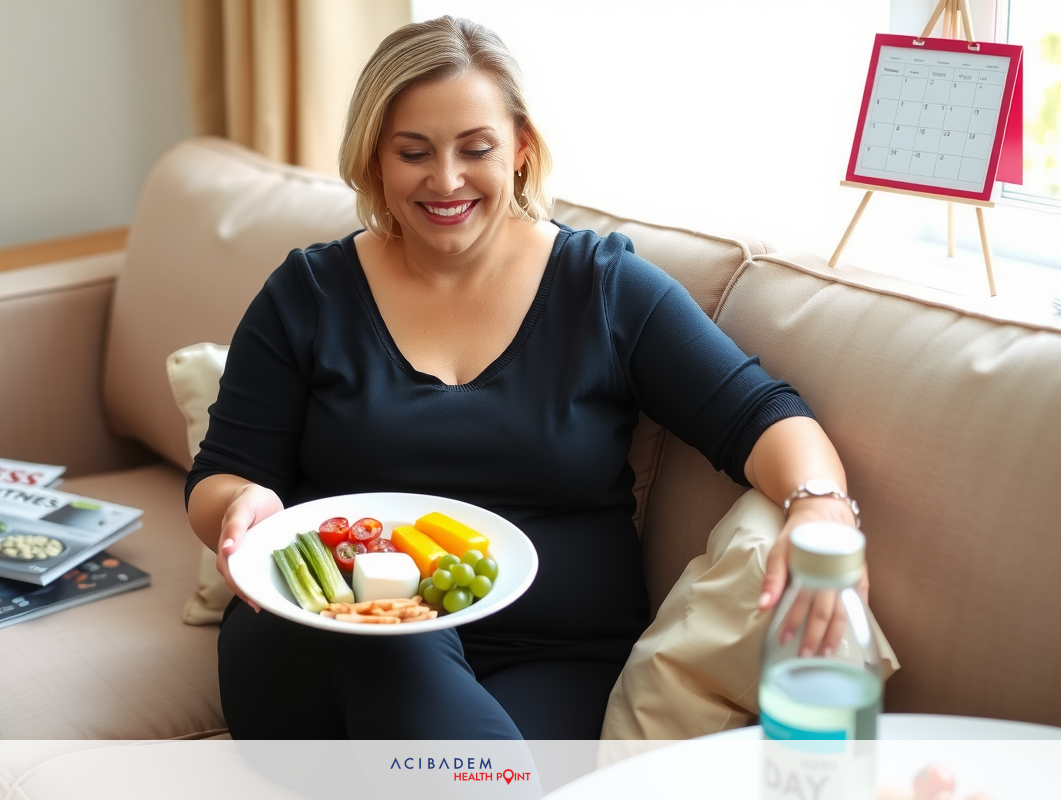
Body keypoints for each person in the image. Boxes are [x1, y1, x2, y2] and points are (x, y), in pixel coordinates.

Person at [186, 15, 863, 740]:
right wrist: (241, 504)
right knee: (401, 650)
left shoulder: (603, 289)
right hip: (326, 636)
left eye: (475, 149)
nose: (445, 180)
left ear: (521, 149)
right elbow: (221, 477)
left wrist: (819, 504)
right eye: (413, 152)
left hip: (551, 658)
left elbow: (761, 414)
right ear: (374, 160)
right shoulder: (307, 296)